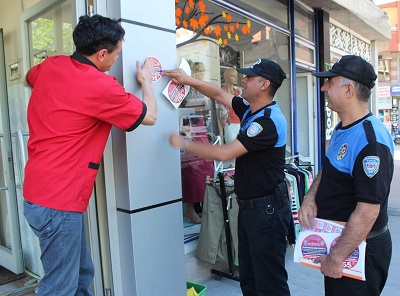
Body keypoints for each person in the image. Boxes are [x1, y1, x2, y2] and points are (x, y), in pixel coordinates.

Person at [23, 14, 157, 296]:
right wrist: (145, 81)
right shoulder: (100, 86)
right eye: (117, 54)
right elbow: (151, 117)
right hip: (58, 201)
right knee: (59, 287)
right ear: (102, 54)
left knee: (82, 274)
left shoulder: (52, 65)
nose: (117, 61)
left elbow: (28, 78)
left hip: (38, 194)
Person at [164, 58, 291, 296]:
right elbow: (219, 95)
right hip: (252, 210)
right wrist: (187, 79)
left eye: (249, 77)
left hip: (266, 213)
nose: (243, 80)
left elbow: (225, 153)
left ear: (264, 84)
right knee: (250, 279)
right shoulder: (252, 109)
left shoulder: (267, 122)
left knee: (270, 284)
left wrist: (184, 143)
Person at [298, 55, 394, 296]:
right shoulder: (343, 127)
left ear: (349, 90)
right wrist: (311, 197)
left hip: (360, 249)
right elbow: (328, 169)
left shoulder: (371, 142)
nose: (323, 88)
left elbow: (368, 210)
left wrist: (337, 256)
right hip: (342, 244)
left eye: (329, 82)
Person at [218, 68, 242, 144]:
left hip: (241, 123)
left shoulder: (240, 92)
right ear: (226, 77)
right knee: (232, 147)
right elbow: (218, 114)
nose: (235, 78)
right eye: (232, 76)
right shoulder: (220, 93)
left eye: (236, 76)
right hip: (229, 125)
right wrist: (220, 132)